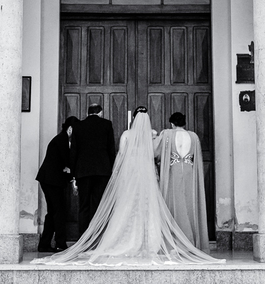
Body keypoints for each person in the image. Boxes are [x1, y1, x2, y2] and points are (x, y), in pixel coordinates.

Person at [34, 109, 221, 265]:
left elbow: (120, 156)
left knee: (126, 206)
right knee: (148, 207)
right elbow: (154, 154)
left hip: (128, 174)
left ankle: (106, 239)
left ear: (133, 119)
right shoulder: (153, 136)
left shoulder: (126, 135)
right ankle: (150, 242)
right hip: (146, 174)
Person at [153, 112, 210, 251]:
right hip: (190, 171)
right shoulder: (194, 136)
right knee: (190, 202)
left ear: (172, 124)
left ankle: (175, 240)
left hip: (174, 170)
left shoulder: (167, 134)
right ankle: (191, 240)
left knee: (174, 203)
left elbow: (154, 152)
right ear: (184, 123)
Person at [69, 103, 117, 237]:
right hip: (102, 171)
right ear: (100, 113)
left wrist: (73, 174)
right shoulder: (107, 124)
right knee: (98, 204)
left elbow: (74, 152)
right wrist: (111, 169)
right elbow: (110, 149)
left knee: (83, 205)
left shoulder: (78, 126)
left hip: (83, 171)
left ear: (87, 113)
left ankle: (83, 237)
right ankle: (96, 236)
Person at [36, 116, 79, 252]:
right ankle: (60, 243)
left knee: (53, 212)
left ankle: (44, 244)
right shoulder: (62, 140)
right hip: (52, 181)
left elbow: (65, 166)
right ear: (70, 129)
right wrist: (72, 174)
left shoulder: (60, 139)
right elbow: (66, 162)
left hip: (49, 180)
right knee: (59, 212)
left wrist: (68, 171)